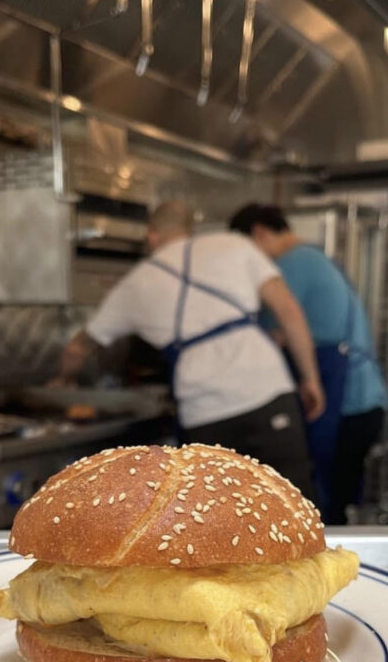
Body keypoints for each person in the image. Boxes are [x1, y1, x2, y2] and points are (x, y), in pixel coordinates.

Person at [55, 200, 325, 495]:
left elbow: (79, 348)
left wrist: (63, 380)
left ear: (152, 235)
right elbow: (289, 311)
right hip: (268, 392)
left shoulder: (135, 283)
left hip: (206, 413)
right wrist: (310, 378)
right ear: (188, 229)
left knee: (212, 518)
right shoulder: (233, 245)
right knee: (292, 502)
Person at [230, 203, 388, 524]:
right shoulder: (317, 258)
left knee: (323, 505)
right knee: (340, 501)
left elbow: (275, 333)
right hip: (365, 402)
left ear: (259, 233)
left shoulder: (288, 266)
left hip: (344, 404)